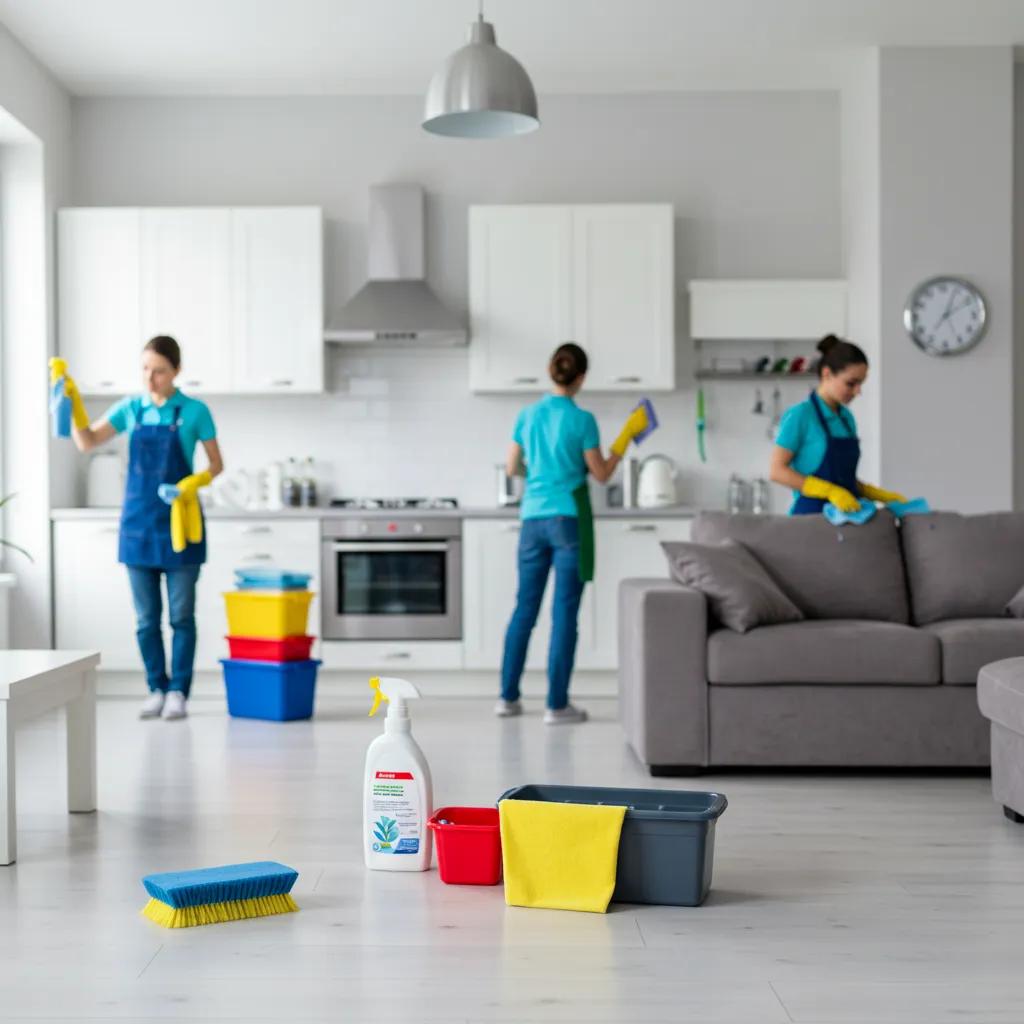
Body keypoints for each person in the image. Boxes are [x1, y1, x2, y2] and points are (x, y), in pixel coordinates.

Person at [61, 336, 223, 720]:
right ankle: (156, 687)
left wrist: (190, 485)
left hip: (182, 526)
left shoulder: (195, 412)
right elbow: (86, 442)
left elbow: (216, 464)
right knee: (146, 618)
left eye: (160, 371)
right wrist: (72, 403)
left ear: (177, 372)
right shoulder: (131, 409)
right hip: (137, 526)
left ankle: (178, 692)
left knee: (181, 616)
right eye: (145, 369)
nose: (150, 379)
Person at [496, 343, 652, 724]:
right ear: (581, 377)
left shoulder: (528, 415)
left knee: (524, 609)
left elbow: (512, 466)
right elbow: (600, 474)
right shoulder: (582, 421)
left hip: (532, 520)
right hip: (567, 520)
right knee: (565, 613)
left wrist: (540, 473)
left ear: (552, 372)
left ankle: (507, 698)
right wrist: (626, 438)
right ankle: (556, 705)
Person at [769, 334, 905, 515]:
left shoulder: (846, 418)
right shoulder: (801, 415)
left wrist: (875, 493)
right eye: (851, 383)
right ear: (827, 374)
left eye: (860, 384)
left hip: (846, 518)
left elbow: (842, 480)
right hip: (810, 521)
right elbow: (777, 471)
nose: (858, 391)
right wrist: (829, 491)